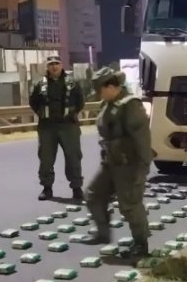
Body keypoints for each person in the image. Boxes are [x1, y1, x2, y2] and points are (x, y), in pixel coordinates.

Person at [83, 67, 152, 258]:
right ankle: (103, 232)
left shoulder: (130, 105)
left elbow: (142, 138)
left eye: (100, 89)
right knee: (93, 194)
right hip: (110, 162)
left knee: (130, 204)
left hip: (129, 164)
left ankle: (141, 244)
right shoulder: (109, 103)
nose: (98, 94)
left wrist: (143, 166)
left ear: (111, 86)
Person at [29, 55, 85, 201]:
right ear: (47, 67)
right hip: (47, 127)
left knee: (73, 157)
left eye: (57, 63)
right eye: (51, 64)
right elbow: (33, 102)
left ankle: (77, 188)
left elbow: (80, 101)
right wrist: (42, 114)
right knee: (46, 158)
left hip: (68, 126)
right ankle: (47, 188)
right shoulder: (40, 84)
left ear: (62, 65)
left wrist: (72, 113)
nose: (54, 66)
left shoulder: (72, 83)